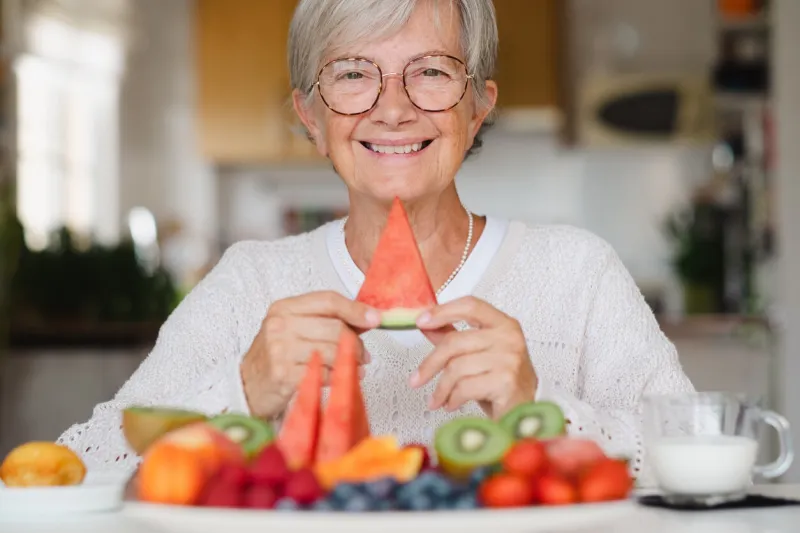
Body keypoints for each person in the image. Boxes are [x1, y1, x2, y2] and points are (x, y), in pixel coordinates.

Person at [57, 0, 694, 487]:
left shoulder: (576, 272)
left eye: (433, 73)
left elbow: (699, 462)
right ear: (311, 116)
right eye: (354, 73)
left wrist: (541, 404)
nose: (393, 109)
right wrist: (241, 389)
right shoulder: (250, 282)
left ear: (477, 107)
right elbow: (77, 469)